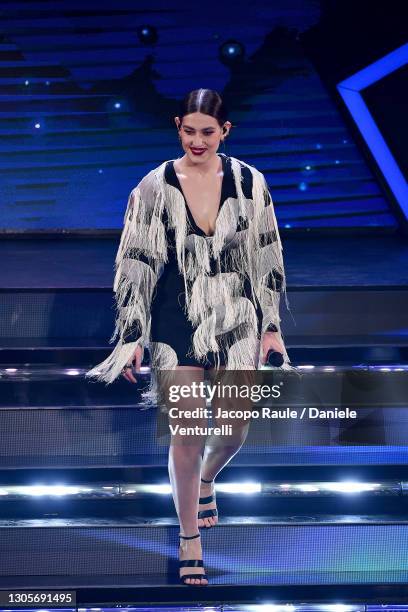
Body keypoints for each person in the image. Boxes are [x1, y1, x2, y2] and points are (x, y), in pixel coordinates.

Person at [86, 88, 294, 586]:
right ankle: (188, 537)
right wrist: (133, 335)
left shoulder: (249, 182)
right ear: (178, 127)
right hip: (175, 316)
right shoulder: (154, 186)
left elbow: (266, 258)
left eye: (208, 132)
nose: (197, 140)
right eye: (189, 130)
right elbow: (135, 263)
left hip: (238, 315)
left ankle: (205, 479)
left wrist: (271, 329)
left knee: (236, 427)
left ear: (225, 132)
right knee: (187, 431)